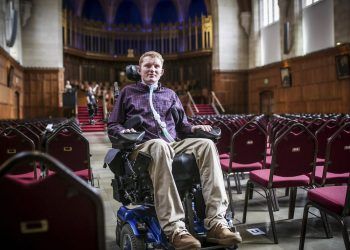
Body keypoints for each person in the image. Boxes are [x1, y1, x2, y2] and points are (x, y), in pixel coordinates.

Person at [108, 51, 242, 250]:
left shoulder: (170, 94)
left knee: (206, 145)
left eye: (156, 67)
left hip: (172, 144)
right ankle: (175, 228)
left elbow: (183, 127)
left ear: (162, 71)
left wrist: (196, 129)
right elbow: (113, 125)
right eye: (147, 66)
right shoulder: (128, 93)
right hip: (142, 146)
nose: (152, 69)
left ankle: (216, 222)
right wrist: (123, 130)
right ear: (139, 69)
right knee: (159, 145)